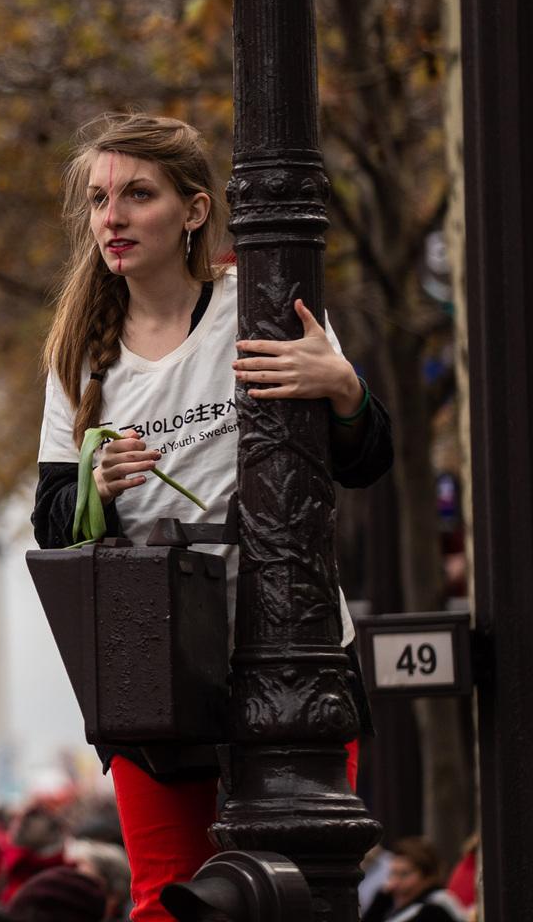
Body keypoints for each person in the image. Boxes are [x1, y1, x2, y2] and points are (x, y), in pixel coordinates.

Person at [33, 114, 394, 922]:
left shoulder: (260, 308)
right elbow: (52, 522)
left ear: (194, 211)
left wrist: (343, 390)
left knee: (308, 886)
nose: (112, 219)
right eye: (98, 200)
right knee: (168, 898)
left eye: (137, 194)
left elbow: (366, 459)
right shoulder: (76, 354)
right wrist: (98, 481)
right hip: (152, 655)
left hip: (291, 644)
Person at [361, 839, 465, 922]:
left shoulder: (436, 909)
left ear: (428, 876)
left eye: (404, 874)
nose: (395, 882)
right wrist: (381, 901)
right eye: (393, 873)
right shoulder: (395, 904)